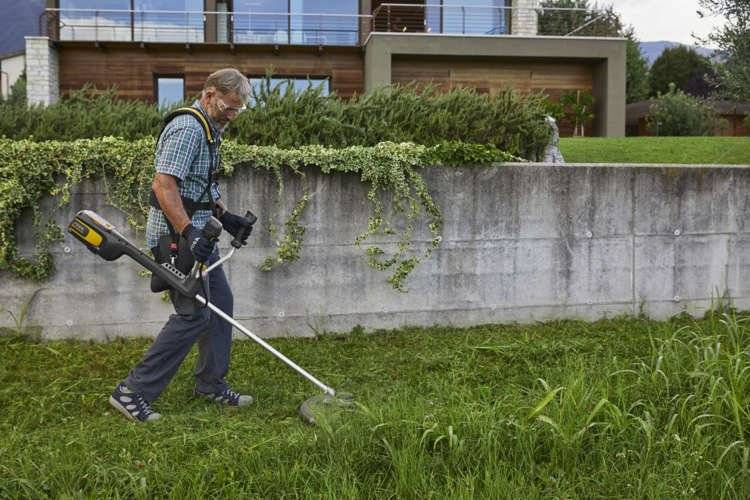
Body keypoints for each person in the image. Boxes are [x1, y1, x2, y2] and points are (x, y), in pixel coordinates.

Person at [109, 68, 255, 422]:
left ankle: (210, 384)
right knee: (193, 315)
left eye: (239, 110)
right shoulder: (188, 128)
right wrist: (188, 232)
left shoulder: (210, 129)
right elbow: (164, 186)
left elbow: (199, 184)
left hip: (201, 234)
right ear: (209, 95)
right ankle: (132, 392)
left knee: (220, 303)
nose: (232, 116)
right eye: (228, 107)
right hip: (177, 238)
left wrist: (226, 215)